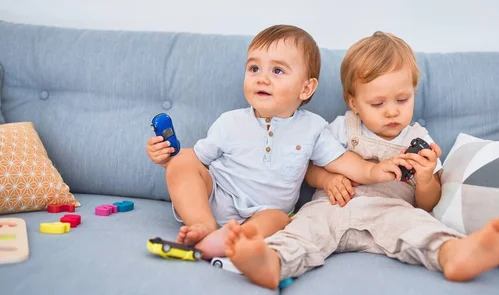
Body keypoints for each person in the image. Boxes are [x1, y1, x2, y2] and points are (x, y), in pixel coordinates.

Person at [225, 31, 499, 289]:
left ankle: (454, 254)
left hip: (390, 210)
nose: (391, 111)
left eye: (402, 100)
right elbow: (309, 168)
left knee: (418, 226)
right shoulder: (341, 127)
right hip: (332, 208)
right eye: (378, 103)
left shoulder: (419, 139)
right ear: (354, 103)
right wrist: (328, 179)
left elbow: (429, 204)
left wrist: (426, 178)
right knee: (302, 231)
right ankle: (270, 262)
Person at [146, 25, 410, 259]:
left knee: (280, 219)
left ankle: (233, 240)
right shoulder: (230, 122)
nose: (262, 77)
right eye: (254, 68)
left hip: (265, 212)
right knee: (182, 162)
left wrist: (374, 170)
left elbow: (343, 161)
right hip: (217, 195)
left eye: (277, 70)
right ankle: (202, 225)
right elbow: (196, 163)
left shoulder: (312, 128)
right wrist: (168, 158)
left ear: (305, 89)